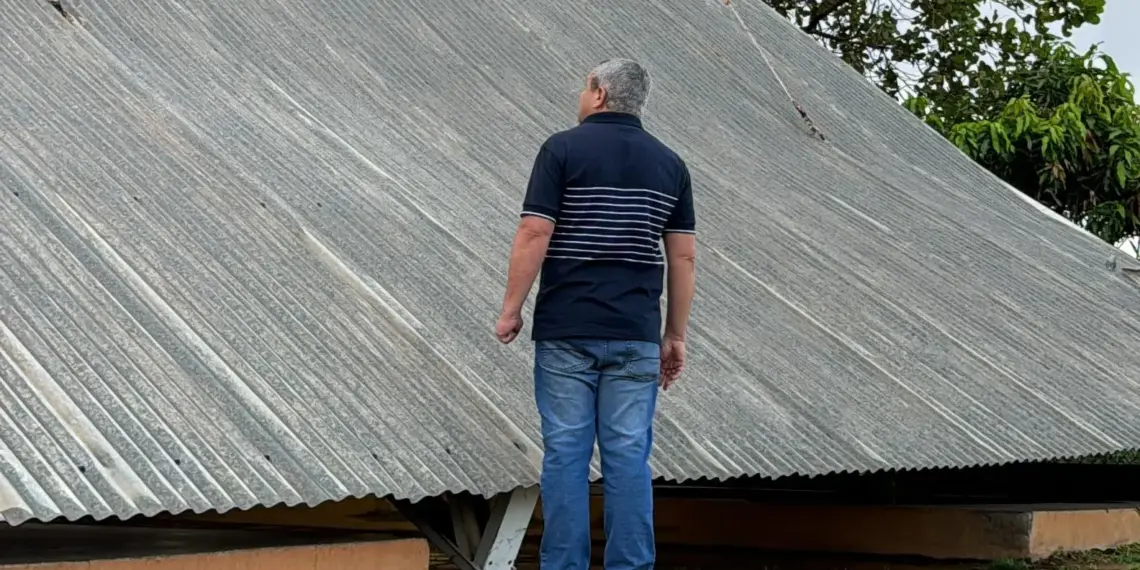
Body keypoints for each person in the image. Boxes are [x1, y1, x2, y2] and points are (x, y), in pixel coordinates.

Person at [494, 58, 697, 570]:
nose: (580, 96)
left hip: (567, 329)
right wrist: (674, 335)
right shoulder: (671, 165)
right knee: (628, 456)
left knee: (566, 454)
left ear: (600, 94)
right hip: (635, 334)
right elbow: (684, 257)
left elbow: (535, 233)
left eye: (584, 87)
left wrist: (511, 309)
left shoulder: (561, 149)